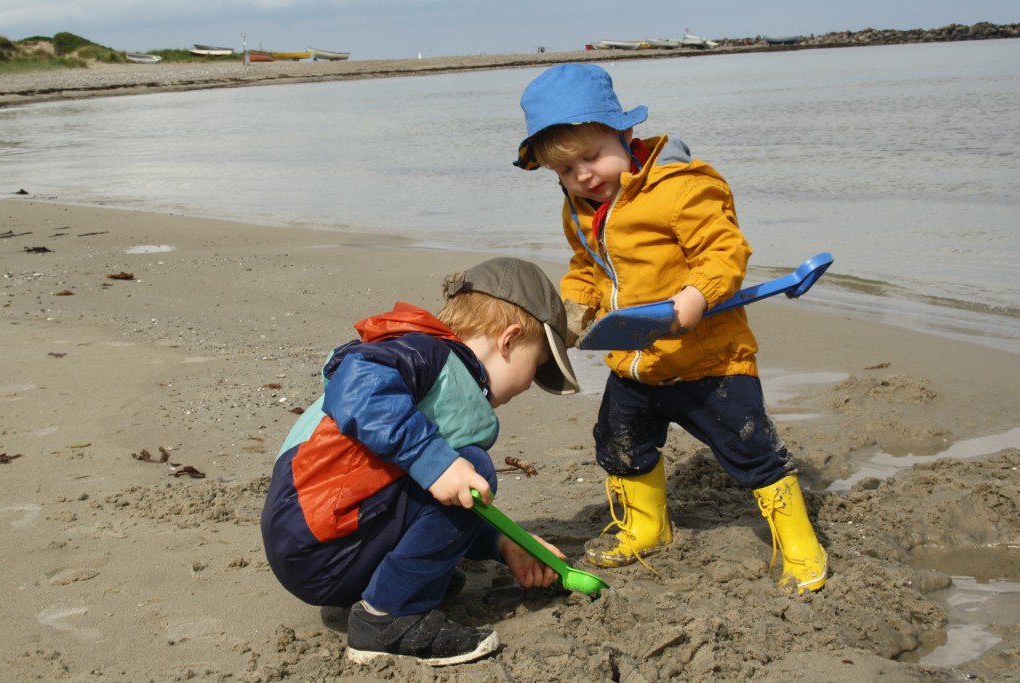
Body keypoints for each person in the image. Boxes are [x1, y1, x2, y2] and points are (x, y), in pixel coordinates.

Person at [513, 63, 827, 594]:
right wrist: (576, 308)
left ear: (625, 134)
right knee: (617, 441)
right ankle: (646, 527)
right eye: (566, 170)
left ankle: (798, 542)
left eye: (591, 157)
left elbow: (725, 252)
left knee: (752, 449)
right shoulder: (580, 209)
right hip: (635, 364)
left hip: (708, 361)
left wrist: (696, 296)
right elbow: (590, 267)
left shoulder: (681, 188)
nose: (583, 176)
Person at [260, 257, 581, 666]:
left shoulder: (436, 372)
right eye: (535, 365)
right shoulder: (425, 354)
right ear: (508, 339)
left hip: (314, 542)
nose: (530, 383)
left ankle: (391, 587)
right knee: (472, 468)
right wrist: (435, 461)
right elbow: (357, 386)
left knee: (455, 475)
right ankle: (389, 618)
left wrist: (506, 542)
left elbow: (422, 502)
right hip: (320, 539)